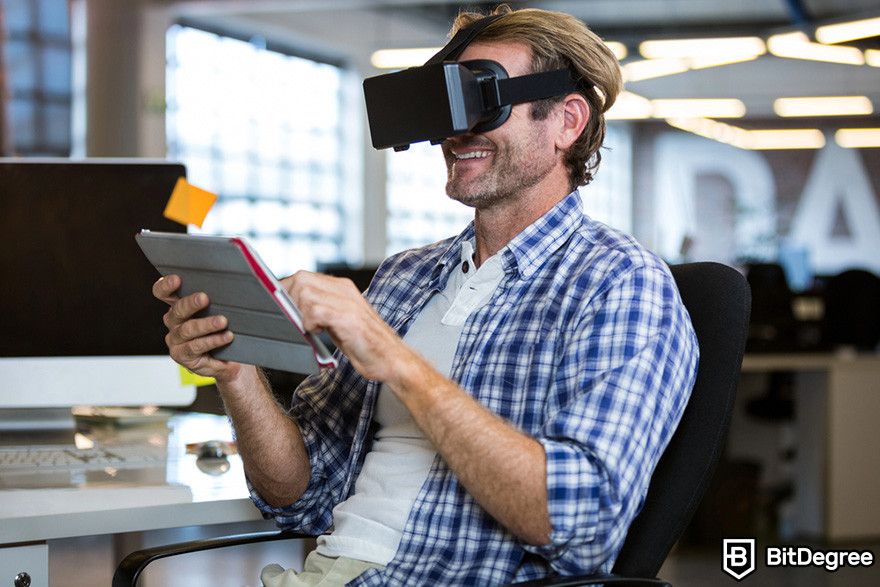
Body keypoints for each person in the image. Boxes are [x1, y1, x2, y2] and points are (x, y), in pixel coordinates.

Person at [154, 5, 698, 585]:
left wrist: (399, 362)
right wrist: (236, 372)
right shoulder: (405, 276)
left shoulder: (621, 283)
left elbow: (578, 523)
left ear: (566, 120)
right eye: (446, 105)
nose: (455, 131)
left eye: (481, 100)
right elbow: (299, 494)